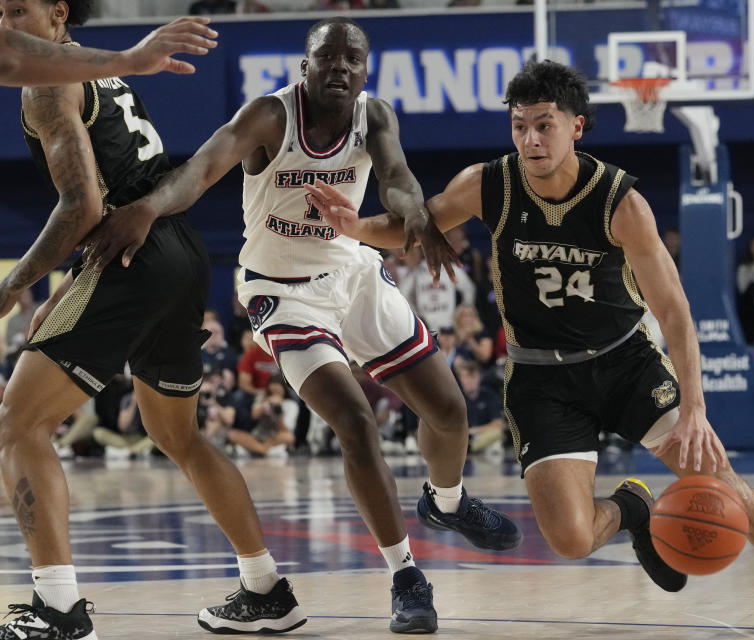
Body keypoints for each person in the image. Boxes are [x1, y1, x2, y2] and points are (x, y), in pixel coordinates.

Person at [304, 59, 754, 633]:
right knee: (571, 539)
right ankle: (633, 509)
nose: (530, 138)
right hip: (541, 380)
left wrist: (695, 409)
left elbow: (674, 311)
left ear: (576, 126)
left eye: (544, 124)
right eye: (519, 124)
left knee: (720, 481)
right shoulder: (489, 183)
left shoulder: (619, 201)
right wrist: (355, 228)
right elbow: (415, 226)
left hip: (625, 364)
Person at [83, 17, 520, 635]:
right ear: (304, 67)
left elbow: (395, 180)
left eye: (353, 60)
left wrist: (417, 216)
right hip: (283, 294)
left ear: (365, 71)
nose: (341, 68)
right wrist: (148, 208)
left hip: (352, 273)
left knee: (448, 412)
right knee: (355, 421)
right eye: (328, 58)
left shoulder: (376, 117)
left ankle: (445, 504)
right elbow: (203, 167)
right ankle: (405, 575)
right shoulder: (270, 117)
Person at [0, 2, 304, 638]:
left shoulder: (47, 87)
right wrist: (70, 283)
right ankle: (267, 588)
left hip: (131, 251)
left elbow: (83, 207)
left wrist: (14, 284)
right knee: (179, 435)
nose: (6, 21)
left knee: (18, 423)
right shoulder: (103, 76)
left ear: (58, 14)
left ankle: (57, 606)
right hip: (179, 250)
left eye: (18, 9)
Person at [0, 15, 217, 86]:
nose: (6, 23)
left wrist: (130, 60)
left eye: (18, 11)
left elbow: (10, 56)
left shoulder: (57, 90)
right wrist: (130, 60)